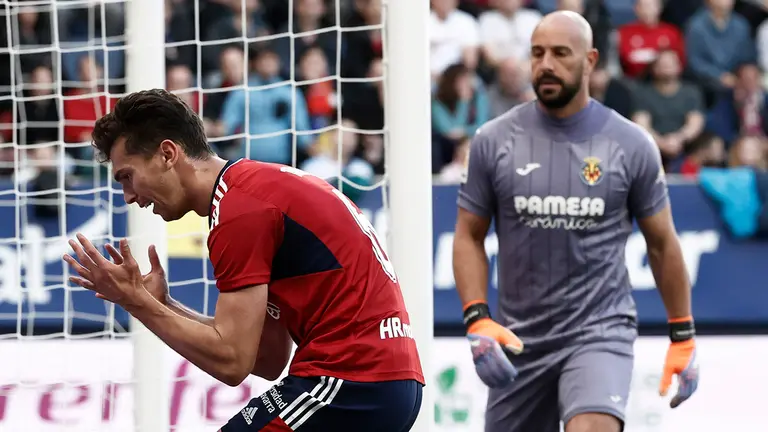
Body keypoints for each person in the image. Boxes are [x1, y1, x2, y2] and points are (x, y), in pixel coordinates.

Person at [62, 89, 424, 431]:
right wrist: (165, 305)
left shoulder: (238, 210)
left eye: (127, 177)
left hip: (351, 380)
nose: (127, 196)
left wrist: (135, 302)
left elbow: (232, 361)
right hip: (391, 382)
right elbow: (266, 359)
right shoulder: (253, 189)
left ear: (168, 154)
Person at [452, 11, 699, 432]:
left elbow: (662, 243)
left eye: (561, 53)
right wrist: (477, 318)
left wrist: (684, 335)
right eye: (537, 53)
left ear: (590, 60)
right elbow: (468, 236)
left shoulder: (631, 144)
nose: (546, 64)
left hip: (599, 332)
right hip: (519, 340)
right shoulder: (493, 140)